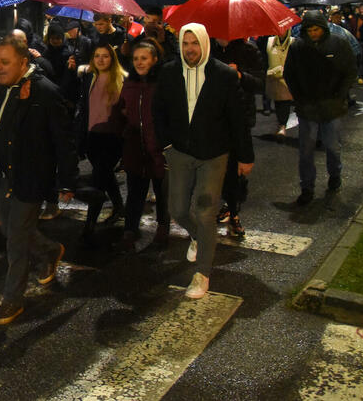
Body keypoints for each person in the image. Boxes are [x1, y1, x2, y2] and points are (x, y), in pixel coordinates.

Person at [0, 35, 75, 325]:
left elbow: (63, 141)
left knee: (15, 239)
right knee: (10, 228)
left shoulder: (44, 92)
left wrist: (66, 181)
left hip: (30, 177)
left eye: (5, 62)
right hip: (6, 176)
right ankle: (50, 250)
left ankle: (12, 299)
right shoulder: (2, 89)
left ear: (23, 63)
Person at [153, 23, 253, 299]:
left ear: (205, 44)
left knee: (206, 211)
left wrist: (245, 156)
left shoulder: (223, 75)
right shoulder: (169, 72)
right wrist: (167, 145)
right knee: (178, 209)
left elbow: (237, 118)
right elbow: (158, 110)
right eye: (185, 44)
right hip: (180, 151)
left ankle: (202, 273)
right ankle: (200, 236)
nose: (190, 49)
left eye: (194, 43)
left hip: (214, 153)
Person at [283, 10, 357, 206]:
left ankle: (335, 175)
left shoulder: (338, 43)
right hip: (308, 106)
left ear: (322, 28)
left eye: (316, 29)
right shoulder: (298, 47)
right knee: (306, 150)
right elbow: (289, 73)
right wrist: (299, 97)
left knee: (332, 146)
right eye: (310, 30)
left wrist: (340, 95)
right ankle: (307, 187)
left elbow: (349, 70)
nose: (313, 33)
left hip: (331, 105)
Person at [111, 40, 169, 251]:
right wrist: (123, 128)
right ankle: (130, 229)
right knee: (135, 192)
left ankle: (163, 227)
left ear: (154, 59)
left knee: (162, 193)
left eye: (144, 58)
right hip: (135, 147)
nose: (139, 62)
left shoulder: (164, 83)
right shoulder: (129, 83)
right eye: (136, 58)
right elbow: (119, 110)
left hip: (159, 149)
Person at [75, 41, 126, 246]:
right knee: (104, 174)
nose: (101, 59)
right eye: (97, 56)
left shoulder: (122, 78)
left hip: (113, 137)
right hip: (93, 136)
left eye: (105, 56)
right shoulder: (89, 77)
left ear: (112, 58)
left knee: (98, 180)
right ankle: (119, 206)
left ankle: (89, 224)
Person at [213, 37, 264, 238]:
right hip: (214, 117)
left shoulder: (249, 51)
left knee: (235, 169)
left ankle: (233, 210)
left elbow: (260, 84)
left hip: (240, 117)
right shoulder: (208, 50)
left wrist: (240, 75)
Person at [265, 31, 295, 138]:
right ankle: (280, 124)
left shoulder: (293, 42)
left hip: (287, 78)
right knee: (277, 103)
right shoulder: (269, 41)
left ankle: (282, 125)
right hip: (273, 77)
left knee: (285, 102)